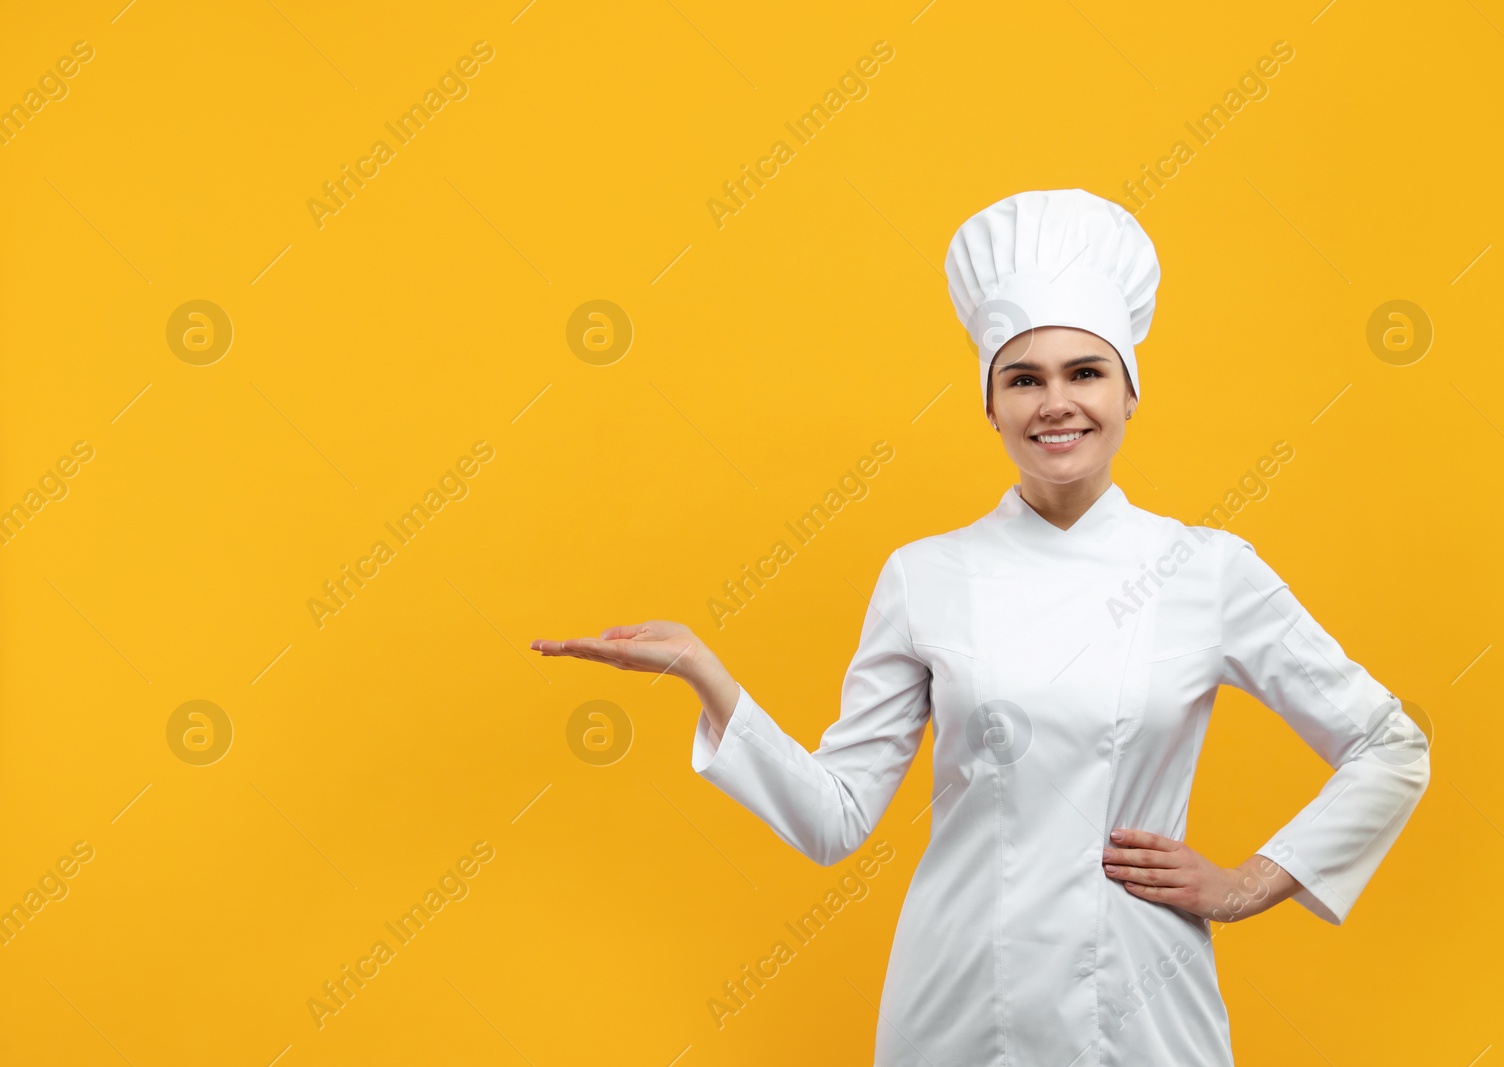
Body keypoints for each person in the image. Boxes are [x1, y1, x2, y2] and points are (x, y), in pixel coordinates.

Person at [532, 188, 1430, 1065]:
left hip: (1146, 1005)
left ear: (1128, 393)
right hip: (958, 1002)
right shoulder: (927, 575)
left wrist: (1248, 884)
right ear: (990, 403)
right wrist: (704, 671)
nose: (1056, 403)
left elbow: (1391, 745)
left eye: (1086, 373)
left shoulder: (1209, 570)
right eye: (1024, 378)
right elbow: (836, 818)